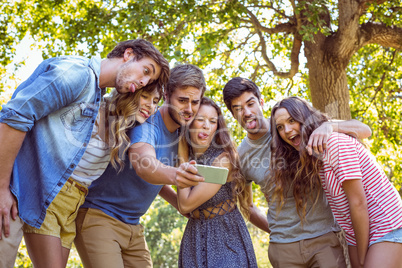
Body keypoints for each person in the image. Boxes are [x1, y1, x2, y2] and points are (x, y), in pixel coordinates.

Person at [0, 39, 170, 268]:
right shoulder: (78, 73)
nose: (142, 82)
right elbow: (14, 117)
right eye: (145, 71)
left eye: (148, 83)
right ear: (128, 54)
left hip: (73, 206)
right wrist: (2, 187)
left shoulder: (98, 99)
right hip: (44, 195)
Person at [222, 77, 372, 267]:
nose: (247, 112)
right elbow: (247, 206)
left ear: (260, 102)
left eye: (250, 104)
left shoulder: (294, 126)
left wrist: (330, 125)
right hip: (283, 249)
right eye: (238, 109)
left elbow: (364, 129)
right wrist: (279, 232)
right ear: (233, 115)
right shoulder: (241, 157)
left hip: (324, 239)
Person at [74, 64, 207, 268]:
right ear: (167, 94)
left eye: (195, 102)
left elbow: (156, 178)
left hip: (133, 226)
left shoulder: (181, 134)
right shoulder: (147, 122)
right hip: (99, 216)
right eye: (182, 100)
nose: (189, 109)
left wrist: (180, 205)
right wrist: (177, 174)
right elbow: (144, 165)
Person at [270, 96, 402, 268]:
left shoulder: (333, 143)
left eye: (292, 120)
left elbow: (358, 203)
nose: (287, 130)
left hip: (387, 225)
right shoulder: (310, 155)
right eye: (280, 127)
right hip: (356, 232)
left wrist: (362, 258)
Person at [177, 97, 258, 267]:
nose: (206, 125)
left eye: (212, 121)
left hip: (226, 235)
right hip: (195, 235)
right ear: (189, 123)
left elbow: (185, 205)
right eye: (200, 119)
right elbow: (182, 205)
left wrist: (182, 155)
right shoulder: (188, 156)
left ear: (217, 127)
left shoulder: (223, 160)